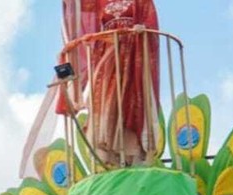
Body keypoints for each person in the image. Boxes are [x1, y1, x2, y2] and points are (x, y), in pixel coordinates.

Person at [60, 0, 161, 168]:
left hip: (133, 53)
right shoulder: (99, 2)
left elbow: (151, 25)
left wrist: (142, 30)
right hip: (108, 56)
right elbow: (77, 6)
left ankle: (131, 152)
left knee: (130, 101)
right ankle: (112, 151)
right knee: (107, 102)